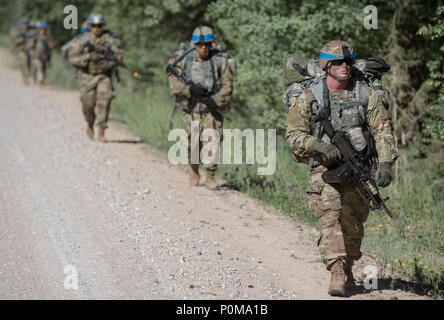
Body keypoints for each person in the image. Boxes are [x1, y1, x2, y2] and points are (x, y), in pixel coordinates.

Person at [285, 40, 398, 296]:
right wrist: (319, 146)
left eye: (347, 62)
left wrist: (387, 162)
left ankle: (348, 266)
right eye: (337, 63)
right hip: (324, 171)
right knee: (330, 216)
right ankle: (336, 271)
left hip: (359, 169)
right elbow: (293, 134)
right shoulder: (310, 96)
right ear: (326, 66)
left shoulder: (364, 93)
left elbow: (382, 130)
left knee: (354, 222)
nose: (344, 66)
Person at [167, 26, 234, 189]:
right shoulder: (183, 59)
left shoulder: (220, 60)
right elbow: (173, 81)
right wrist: (189, 90)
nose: (203, 48)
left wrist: (215, 100)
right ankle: (193, 170)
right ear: (194, 44)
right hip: (191, 109)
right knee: (193, 143)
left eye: (207, 45)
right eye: (200, 45)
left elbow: (228, 85)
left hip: (211, 110)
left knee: (213, 141)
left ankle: (210, 175)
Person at [67, 13, 123, 142]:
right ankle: (90, 124)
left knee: (104, 100)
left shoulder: (109, 40)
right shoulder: (82, 40)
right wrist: (86, 58)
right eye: (94, 26)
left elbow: (119, 55)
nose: (97, 28)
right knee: (88, 104)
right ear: (90, 26)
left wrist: (109, 62)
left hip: (104, 76)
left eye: (99, 25)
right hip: (86, 76)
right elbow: (72, 57)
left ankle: (101, 131)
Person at [10, 18, 35, 84]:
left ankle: (29, 76)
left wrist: (31, 44)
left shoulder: (31, 31)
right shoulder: (17, 31)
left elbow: (33, 40)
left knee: (29, 63)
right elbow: (14, 40)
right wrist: (20, 41)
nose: (25, 25)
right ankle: (25, 78)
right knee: (23, 63)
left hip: (29, 50)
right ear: (21, 24)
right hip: (21, 50)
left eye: (26, 24)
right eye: (23, 24)